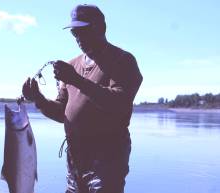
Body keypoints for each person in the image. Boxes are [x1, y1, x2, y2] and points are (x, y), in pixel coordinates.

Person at [22, 4, 142, 193]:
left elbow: (118, 103)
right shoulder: (72, 65)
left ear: (101, 28)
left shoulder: (123, 60)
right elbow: (62, 112)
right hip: (76, 157)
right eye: (74, 32)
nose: (78, 37)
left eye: (83, 31)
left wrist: (76, 80)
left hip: (107, 157)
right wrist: (38, 99)